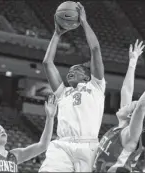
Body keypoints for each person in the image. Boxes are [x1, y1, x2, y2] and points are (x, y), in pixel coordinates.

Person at [39, 2, 105, 172]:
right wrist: (56, 34)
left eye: (75, 70)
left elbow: (95, 49)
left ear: (86, 76)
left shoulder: (96, 86)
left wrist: (83, 22)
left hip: (88, 145)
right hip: (62, 145)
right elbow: (47, 63)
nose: (70, 72)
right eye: (69, 71)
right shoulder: (64, 93)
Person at [0, 89, 57, 172]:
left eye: (3, 130)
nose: (2, 131)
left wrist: (50, 118)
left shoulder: (14, 155)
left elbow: (43, 145)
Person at [93, 40, 145, 172]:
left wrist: (138, 106)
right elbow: (126, 90)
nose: (125, 105)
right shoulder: (121, 126)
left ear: (130, 115)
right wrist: (132, 63)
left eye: (130, 105)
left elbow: (140, 108)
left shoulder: (129, 136)